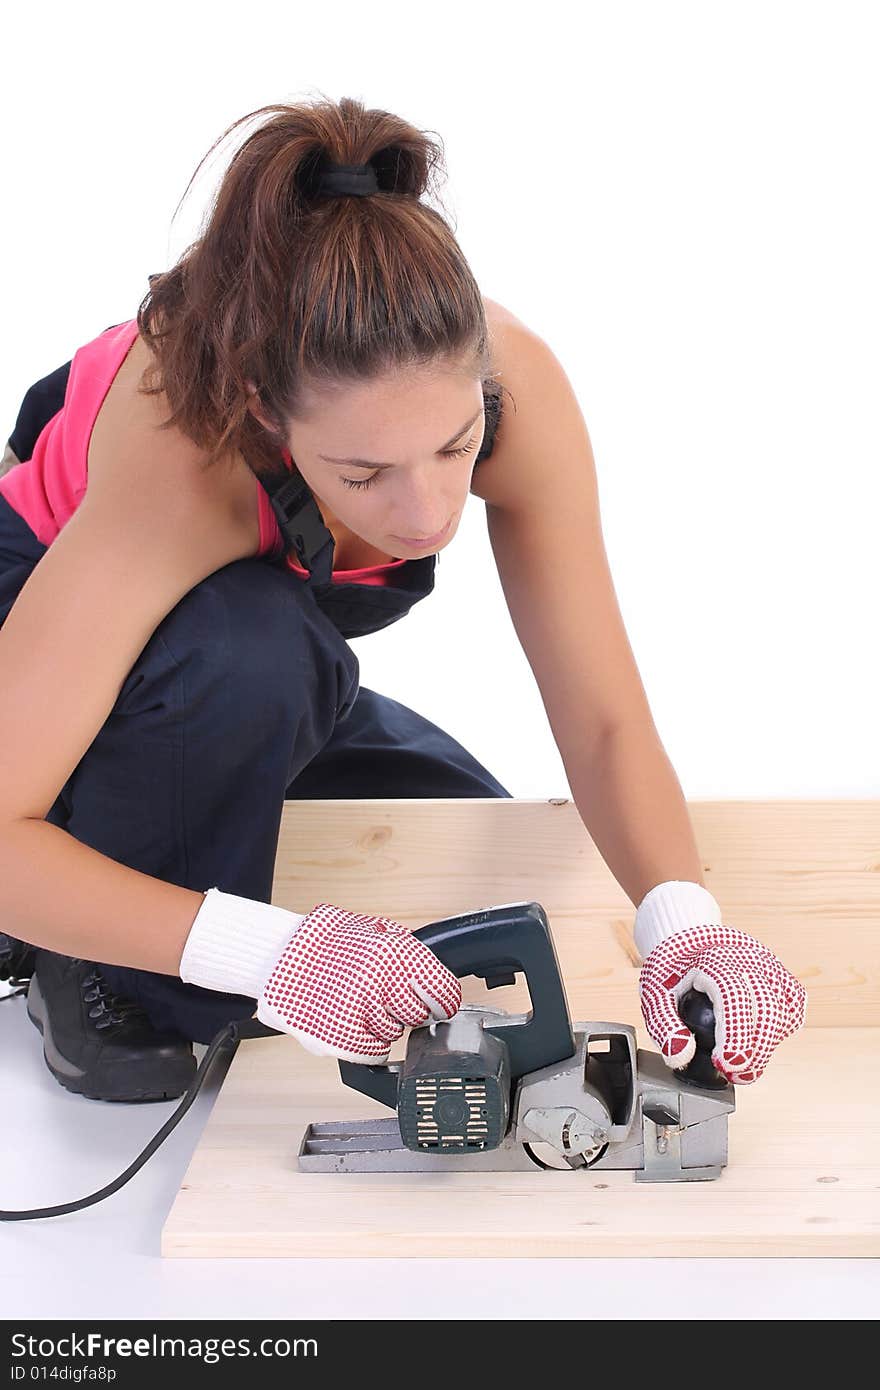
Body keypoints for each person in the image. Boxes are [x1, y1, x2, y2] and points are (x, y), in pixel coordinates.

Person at [0, 96, 806, 1105]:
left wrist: (683, 919)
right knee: (247, 652)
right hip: (53, 615)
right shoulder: (180, 455)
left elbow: (601, 721)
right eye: (363, 472)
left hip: (260, 652)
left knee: (474, 888)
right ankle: (90, 965)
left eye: (453, 449)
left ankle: (195, 800)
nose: (424, 512)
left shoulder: (516, 389)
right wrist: (271, 953)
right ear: (266, 411)